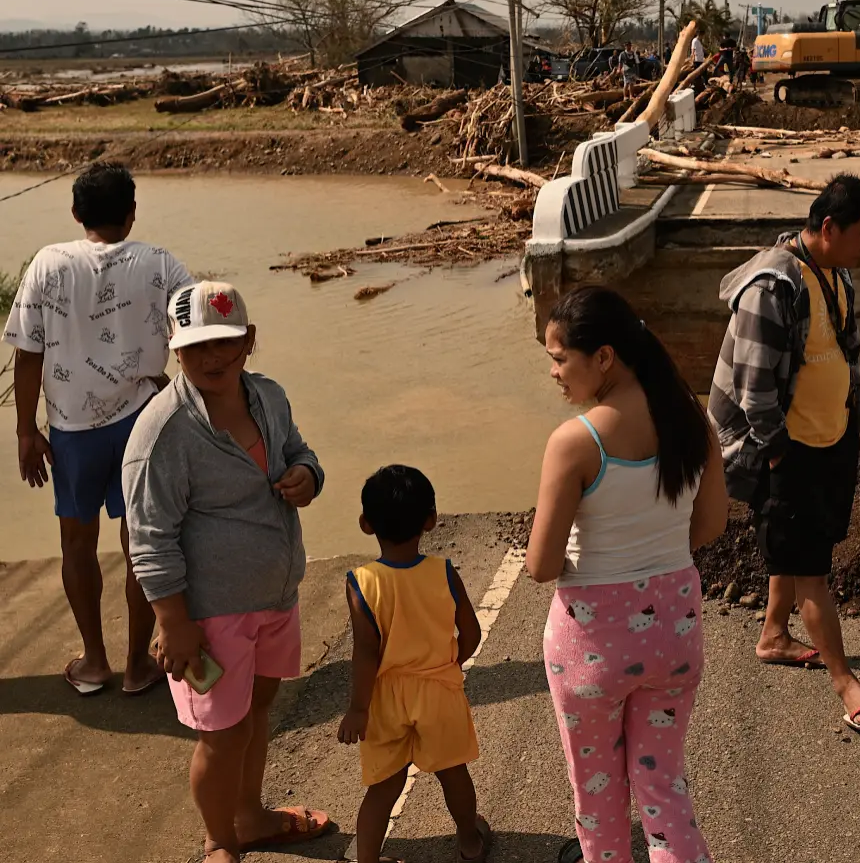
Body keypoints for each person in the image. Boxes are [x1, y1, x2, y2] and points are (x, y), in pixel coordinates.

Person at [123, 281, 331, 863]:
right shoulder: (162, 433)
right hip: (210, 616)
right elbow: (149, 537)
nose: (211, 358)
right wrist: (173, 622)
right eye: (195, 348)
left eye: (225, 342)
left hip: (276, 595)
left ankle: (252, 817)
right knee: (222, 735)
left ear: (249, 340)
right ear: (174, 349)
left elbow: (300, 452)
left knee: (257, 714)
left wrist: (308, 477)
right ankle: (220, 842)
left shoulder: (269, 398)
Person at [527, 285, 727, 863]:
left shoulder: (575, 442)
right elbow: (709, 526)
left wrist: (595, 566)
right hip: (675, 632)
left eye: (559, 358)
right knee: (664, 789)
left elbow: (541, 565)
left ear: (604, 357)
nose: (554, 373)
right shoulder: (694, 424)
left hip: (592, 648)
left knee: (599, 797)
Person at [707, 174, 860, 732]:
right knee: (811, 569)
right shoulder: (773, 287)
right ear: (829, 227)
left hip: (827, 437)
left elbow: (843, 351)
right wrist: (776, 454)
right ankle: (847, 683)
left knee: (794, 549)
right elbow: (753, 385)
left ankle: (773, 635)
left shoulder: (834, 274)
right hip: (786, 447)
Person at [4, 162, 191, 697]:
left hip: (71, 430)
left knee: (76, 542)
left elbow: (27, 355)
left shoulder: (48, 262)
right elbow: (199, 320)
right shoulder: (158, 262)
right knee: (141, 543)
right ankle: (137, 665)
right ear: (131, 214)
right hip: (144, 422)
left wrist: (25, 431)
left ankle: (93, 661)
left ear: (75, 213)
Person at [340, 466, 490, 863]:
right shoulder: (443, 571)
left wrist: (358, 709)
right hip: (438, 689)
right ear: (431, 519)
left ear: (365, 524)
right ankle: (470, 844)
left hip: (386, 698)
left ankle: (368, 859)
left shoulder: (362, 582)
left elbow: (366, 653)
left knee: (384, 785)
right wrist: (448, 663)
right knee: (452, 772)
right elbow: (470, 633)